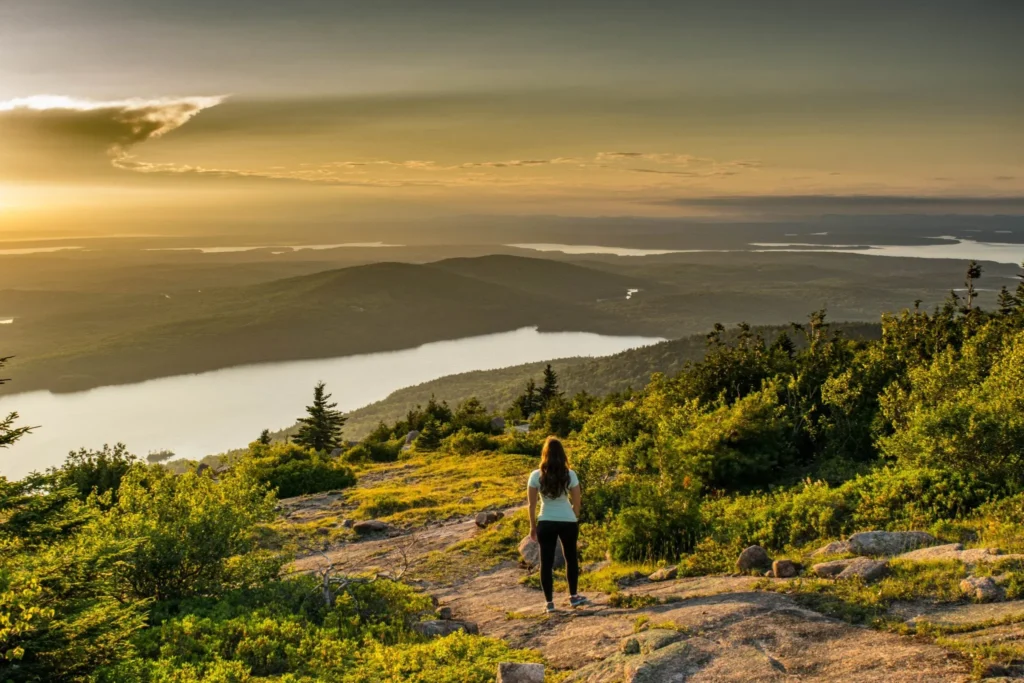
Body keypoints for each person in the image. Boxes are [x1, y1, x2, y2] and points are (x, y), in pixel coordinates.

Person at [527, 435, 587, 612]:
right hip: (567, 521)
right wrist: (573, 517)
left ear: (544, 454)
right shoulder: (570, 474)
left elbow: (531, 505)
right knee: (571, 558)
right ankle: (574, 597)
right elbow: (577, 501)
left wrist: (532, 527)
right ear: (562, 454)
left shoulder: (536, 476)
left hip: (545, 520)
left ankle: (549, 603)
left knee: (546, 562)